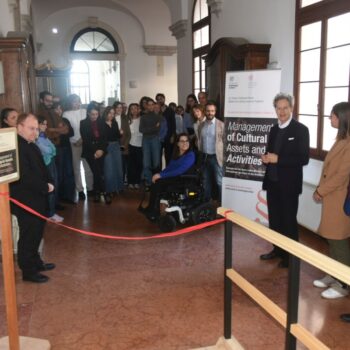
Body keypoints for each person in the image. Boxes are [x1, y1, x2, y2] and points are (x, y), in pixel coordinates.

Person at [260, 93, 310, 268]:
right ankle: (278, 250)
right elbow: (271, 153)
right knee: (275, 220)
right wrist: (266, 158)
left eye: (285, 108)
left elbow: (303, 159)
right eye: (278, 108)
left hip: (289, 186)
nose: (281, 111)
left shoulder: (301, 130)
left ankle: (291, 257)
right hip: (272, 182)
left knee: (288, 221)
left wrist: (277, 159)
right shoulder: (274, 129)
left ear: (292, 108)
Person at [10, 113, 55, 283]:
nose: (35, 132)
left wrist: (49, 180)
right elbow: (25, 176)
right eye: (31, 128)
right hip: (25, 199)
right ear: (19, 127)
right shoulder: (17, 147)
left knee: (37, 232)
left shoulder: (31, 145)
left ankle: (36, 262)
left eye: (36, 129)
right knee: (29, 233)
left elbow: (42, 168)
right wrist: (45, 186)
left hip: (38, 197)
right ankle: (28, 270)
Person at [312, 102, 350, 299]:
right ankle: (333, 274)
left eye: (332, 116)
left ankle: (343, 284)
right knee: (332, 239)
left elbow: (340, 176)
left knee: (339, 241)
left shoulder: (349, 143)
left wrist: (320, 191)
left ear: (342, 118)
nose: (330, 119)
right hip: (332, 197)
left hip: (340, 198)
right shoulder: (341, 139)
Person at [140, 133, 195, 221]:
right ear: (178, 143)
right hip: (176, 177)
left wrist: (161, 175)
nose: (185, 143)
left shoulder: (190, 155)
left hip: (184, 179)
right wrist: (159, 174)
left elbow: (179, 170)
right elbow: (170, 168)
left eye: (187, 141)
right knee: (156, 182)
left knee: (158, 184)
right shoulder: (176, 154)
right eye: (182, 141)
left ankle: (154, 211)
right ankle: (153, 209)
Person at [63, 94, 94, 200]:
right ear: (70, 102)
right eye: (74, 101)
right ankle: (80, 190)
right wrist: (76, 141)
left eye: (78, 101)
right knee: (76, 168)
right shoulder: (66, 114)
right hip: (74, 143)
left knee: (88, 167)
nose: (77, 103)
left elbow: (88, 128)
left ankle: (90, 188)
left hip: (85, 142)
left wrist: (82, 139)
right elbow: (68, 129)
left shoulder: (84, 111)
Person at [36, 116, 63, 222]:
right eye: (44, 124)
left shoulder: (44, 136)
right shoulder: (37, 137)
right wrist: (50, 150)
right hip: (45, 164)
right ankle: (50, 213)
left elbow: (53, 149)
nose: (46, 126)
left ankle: (51, 211)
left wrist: (50, 150)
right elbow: (47, 150)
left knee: (54, 185)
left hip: (50, 162)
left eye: (46, 124)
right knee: (50, 187)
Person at [80, 103, 108, 203]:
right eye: (92, 114)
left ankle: (97, 192)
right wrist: (95, 151)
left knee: (100, 172)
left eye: (96, 114)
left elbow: (105, 138)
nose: (94, 116)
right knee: (97, 172)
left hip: (101, 150)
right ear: (88, 113)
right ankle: (104, 192)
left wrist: (101, 150)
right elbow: (86, 140)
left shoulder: (102, 122)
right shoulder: (83, 123)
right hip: (90, 151)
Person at [198, 101, 224, 202]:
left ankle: (222, 204)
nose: (210, 113)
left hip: (216, 157)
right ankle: (206, 205)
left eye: (212, 111)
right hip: (204, 157)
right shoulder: (201, 125)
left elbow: (225, 143)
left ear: (215, 112)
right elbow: (200, 141)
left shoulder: (221, 125)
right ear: (205, 111)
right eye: (208, 111)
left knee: (219, 182)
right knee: (205, 182)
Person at [139, 98, 162, 188]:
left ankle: (156, 181)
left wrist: (149, 129)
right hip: (146, 140)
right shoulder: (143, 117)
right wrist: (153, 128)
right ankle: (148, 182)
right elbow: (141, 130)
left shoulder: (158, 117)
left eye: (153, 104)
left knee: (156, 162)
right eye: (149, 104)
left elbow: (158, 129)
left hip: (155, 139)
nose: (151, 106)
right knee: (146, 162)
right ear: (147, 106)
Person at [103, 106, 123, 202]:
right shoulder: (101, 123)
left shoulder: (114, 123)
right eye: (109, 113)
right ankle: (109, 190)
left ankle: (118, 187)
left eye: (113, 113)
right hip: (107, 147)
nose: (111, 115)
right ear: (106, 113)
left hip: (116, 146)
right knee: (109, 169)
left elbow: (117, 136)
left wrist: (120, 133)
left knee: (118, 167)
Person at [127, 103, 143, 189]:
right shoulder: (127, 120)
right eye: (132, 108)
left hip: (140, 145)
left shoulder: (142, 119)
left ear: (138, 109)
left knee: (139, 164)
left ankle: (137, 181)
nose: (134, 110)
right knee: (131, 165)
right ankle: (130, 181)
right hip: (130, 144)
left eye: (135, 108)